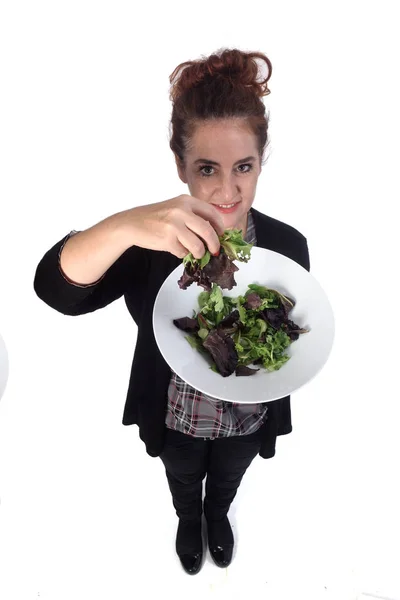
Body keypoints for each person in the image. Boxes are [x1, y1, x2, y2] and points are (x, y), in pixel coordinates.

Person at [33, 47, 310, 575]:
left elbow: (292, 334)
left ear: (260, 162)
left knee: (227, 479)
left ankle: (218, 516)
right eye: (207, 168)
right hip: (175, 418)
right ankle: (189, 521)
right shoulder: (148, 244)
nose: (227, 191)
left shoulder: (288, 245)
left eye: (243, 167)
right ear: (181, 166)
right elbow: (55, 291)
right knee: (182, 479)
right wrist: (123, 225)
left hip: (249, 421)